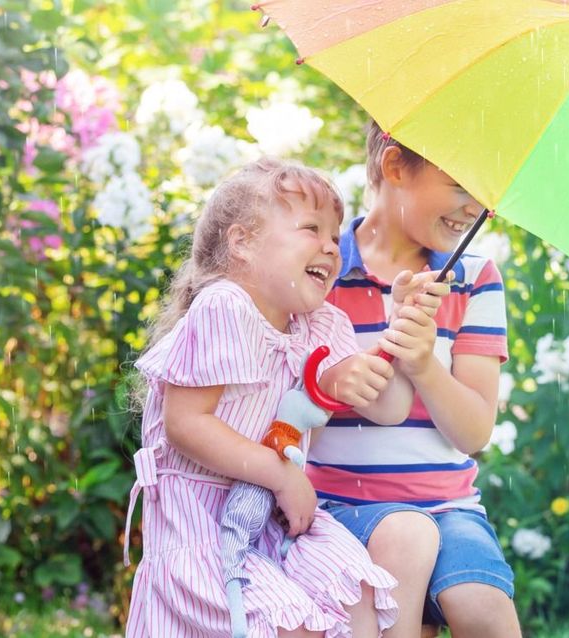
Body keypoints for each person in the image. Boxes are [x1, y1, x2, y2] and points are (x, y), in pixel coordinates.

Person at [125, 157, 434, 637]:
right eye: (311, 229)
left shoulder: (321, 326)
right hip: (203, 528)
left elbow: (388, 408)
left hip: (273, 522)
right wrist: (283, 477)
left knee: (358, 595)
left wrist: (398, 338)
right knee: (291, 627)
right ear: (243, 242)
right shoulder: (224, 307)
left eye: (335, 237)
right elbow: (185, 425)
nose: (331, 249)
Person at [307, 124, 523, 638]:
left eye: (484, 194)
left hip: (447, 508)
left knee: (483, 610)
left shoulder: (474, 279)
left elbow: (473, 432)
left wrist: (425, 364)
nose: (477, 208)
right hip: (340, 507)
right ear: (396, 167)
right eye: (460, 187)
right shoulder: (321, 268)